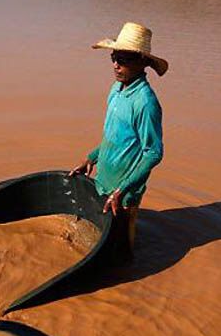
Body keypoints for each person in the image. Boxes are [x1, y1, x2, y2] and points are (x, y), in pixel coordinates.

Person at [70, 21, 168, 254]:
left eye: (123, 59)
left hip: (124, 193)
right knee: (99, 242)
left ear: (142, 62)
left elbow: (153, 153)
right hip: (103, 180)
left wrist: (122, 190)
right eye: (114, 57)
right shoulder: (116, 89)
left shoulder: (145, 102)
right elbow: (113, 136)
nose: (116, 64)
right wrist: (91, 157)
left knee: (123, 251)